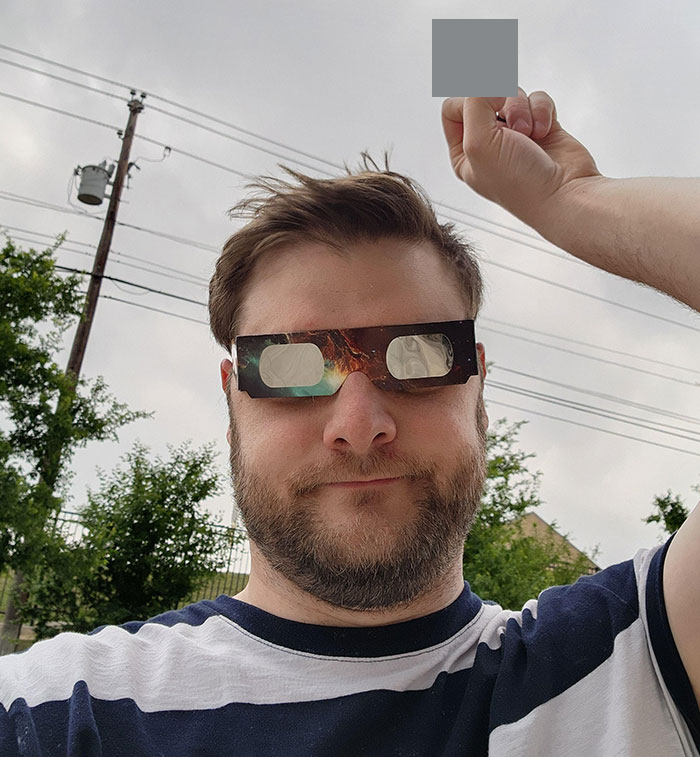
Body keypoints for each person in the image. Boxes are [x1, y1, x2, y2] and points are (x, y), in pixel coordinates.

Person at [1, 88, 698, 755]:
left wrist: (570, 199)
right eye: (292, 367)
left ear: (478, 389)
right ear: (231, 401)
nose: (359, 424)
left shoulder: (627, 671)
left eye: (419, 356)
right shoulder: (54, 714)